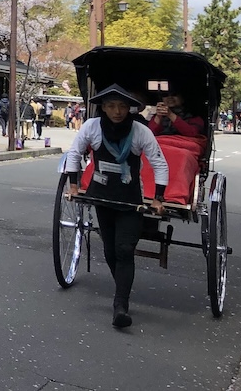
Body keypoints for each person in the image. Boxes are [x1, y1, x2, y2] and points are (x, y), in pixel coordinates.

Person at [64, 83, 168, 328]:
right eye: (111, 106)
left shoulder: (141, 131)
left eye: (122, 106)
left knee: (124, 249)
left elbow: (159, 163)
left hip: (130, 200)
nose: (117, 111)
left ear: (129, 108)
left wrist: (158, 198)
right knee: (110, 251)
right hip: (102, 198)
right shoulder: (92, 126)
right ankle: (122, 287)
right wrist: (74, 185)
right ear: (103, 107)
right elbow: (74, 153)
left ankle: (120, 305)